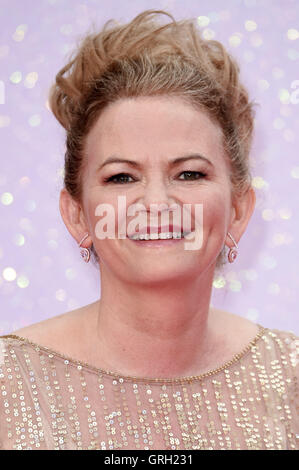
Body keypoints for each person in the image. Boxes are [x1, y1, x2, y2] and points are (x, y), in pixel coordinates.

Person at [0, 9, 298, 451]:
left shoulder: (289, 379)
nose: (157, 204)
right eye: (122, 177)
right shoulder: (11, 386)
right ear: (77, 214)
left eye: (190, 174)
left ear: (238, 208)